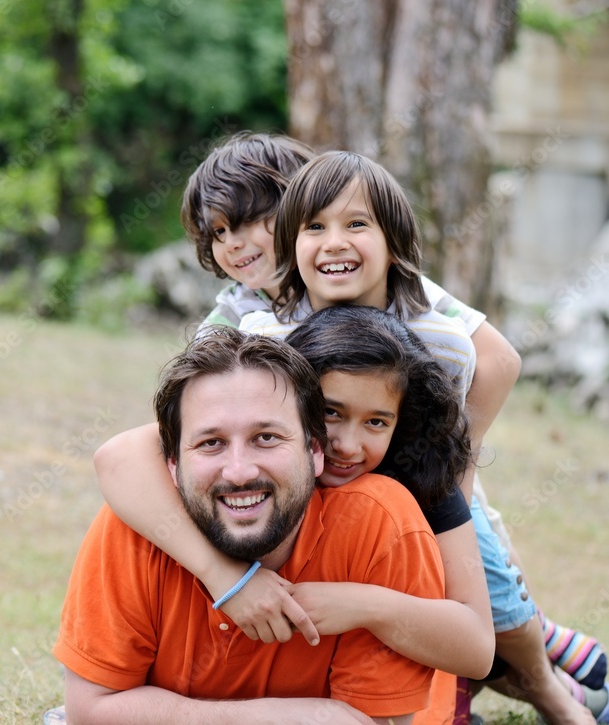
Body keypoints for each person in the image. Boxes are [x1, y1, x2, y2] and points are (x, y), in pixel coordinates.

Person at [96, 148, 604, 723]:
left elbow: (499, 362)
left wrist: (453, 471)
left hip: (422, 476)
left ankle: (543, 681)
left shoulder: (431, 324)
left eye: (355, 224)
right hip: (319, 515)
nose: (334, 242)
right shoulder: (263, 335)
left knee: (487, 588)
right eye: (315, 227)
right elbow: (155, 442)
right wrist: (227, 578)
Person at [53, 326, 446, 724]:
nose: (239, 472)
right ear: (172, 464)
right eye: (211, 443)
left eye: (266, 437)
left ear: (315, 450)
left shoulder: (378, 527)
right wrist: (269, 718)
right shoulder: (140, 521)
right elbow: (89, 711)